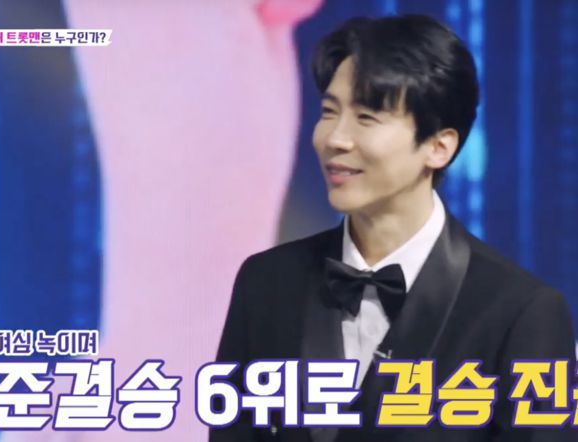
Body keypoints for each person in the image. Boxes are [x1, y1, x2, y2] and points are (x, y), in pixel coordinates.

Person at [210, 14, 577, 442]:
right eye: (329, 112)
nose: (335, 138)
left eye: (366, 117)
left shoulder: (522, 312)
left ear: (438, 146)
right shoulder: (267, 283)